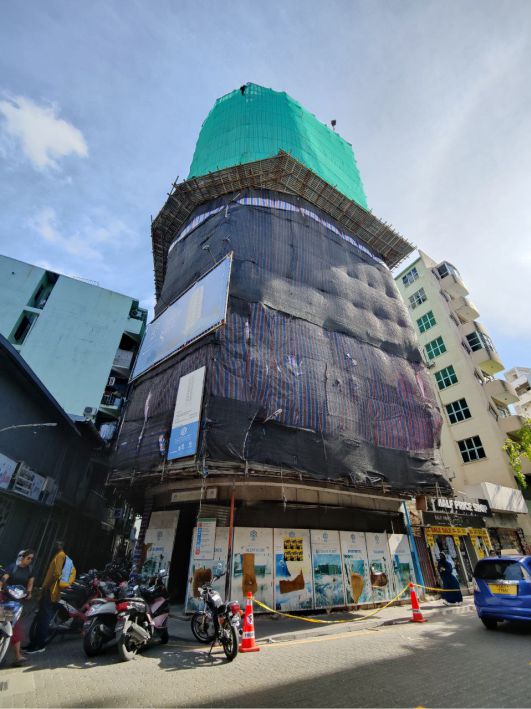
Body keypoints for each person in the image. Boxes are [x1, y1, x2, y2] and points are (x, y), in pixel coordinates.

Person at [25, 541, 75, 654]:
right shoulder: (60, 556)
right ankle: (34, 643)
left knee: (44, 618)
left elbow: (56, 574)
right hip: (52, 591)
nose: (55, 545)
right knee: (40, 617)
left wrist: (45, 587)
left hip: (52, 591)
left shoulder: (60, 556)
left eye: (58, 544)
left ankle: (40, 645)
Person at [0, 549, 35, 666]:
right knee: (6, 623)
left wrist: (29, 592)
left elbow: (30, 582)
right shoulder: (12, 567)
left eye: (31, 559)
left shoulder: (30, 570)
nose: (30, 560)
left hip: (16, 601)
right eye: (28, 558)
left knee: (15, 627)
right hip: (5, 599)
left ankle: (17, 656)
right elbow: (4, 578)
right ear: (22, 557)